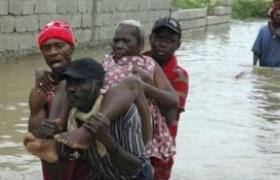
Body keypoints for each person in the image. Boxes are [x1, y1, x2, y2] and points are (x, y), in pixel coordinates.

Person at [51, 20, 179, 177]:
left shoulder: (148, 63)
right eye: (116, 40)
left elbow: (173, 100)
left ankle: (86, 132)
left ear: (140, 46)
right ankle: (54, 134)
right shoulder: (107, 62)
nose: (119, 45)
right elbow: (87, 81)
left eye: (126, 41)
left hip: (137, 125)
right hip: (110, 125)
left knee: (131, 83)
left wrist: (143, 87)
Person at [25, 58, 153, 179]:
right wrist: (54, 136)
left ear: (98, 85)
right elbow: (74, 155)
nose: (71, 88)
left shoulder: (124, 112)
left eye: (80, 82)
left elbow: (136, 167)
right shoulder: (73, 115)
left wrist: (108, 141)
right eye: (69, 83)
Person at [26, 20, 91, 180]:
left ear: (72, 48)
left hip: (81, 161)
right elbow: (34, 132)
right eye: (47, 48)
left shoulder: (88, 80)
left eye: (59, 46)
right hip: (53, 164)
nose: (53, 52)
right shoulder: (42, 87)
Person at [143, 17, 189, 179]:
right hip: (130, 141)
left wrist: (146, 85)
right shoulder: (136, 62)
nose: (163, 44)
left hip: (162, 147)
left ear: (178, 45)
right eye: (160, 38)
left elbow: (170, 116)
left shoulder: (179, 76)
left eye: (169, 40)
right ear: (151, 39)